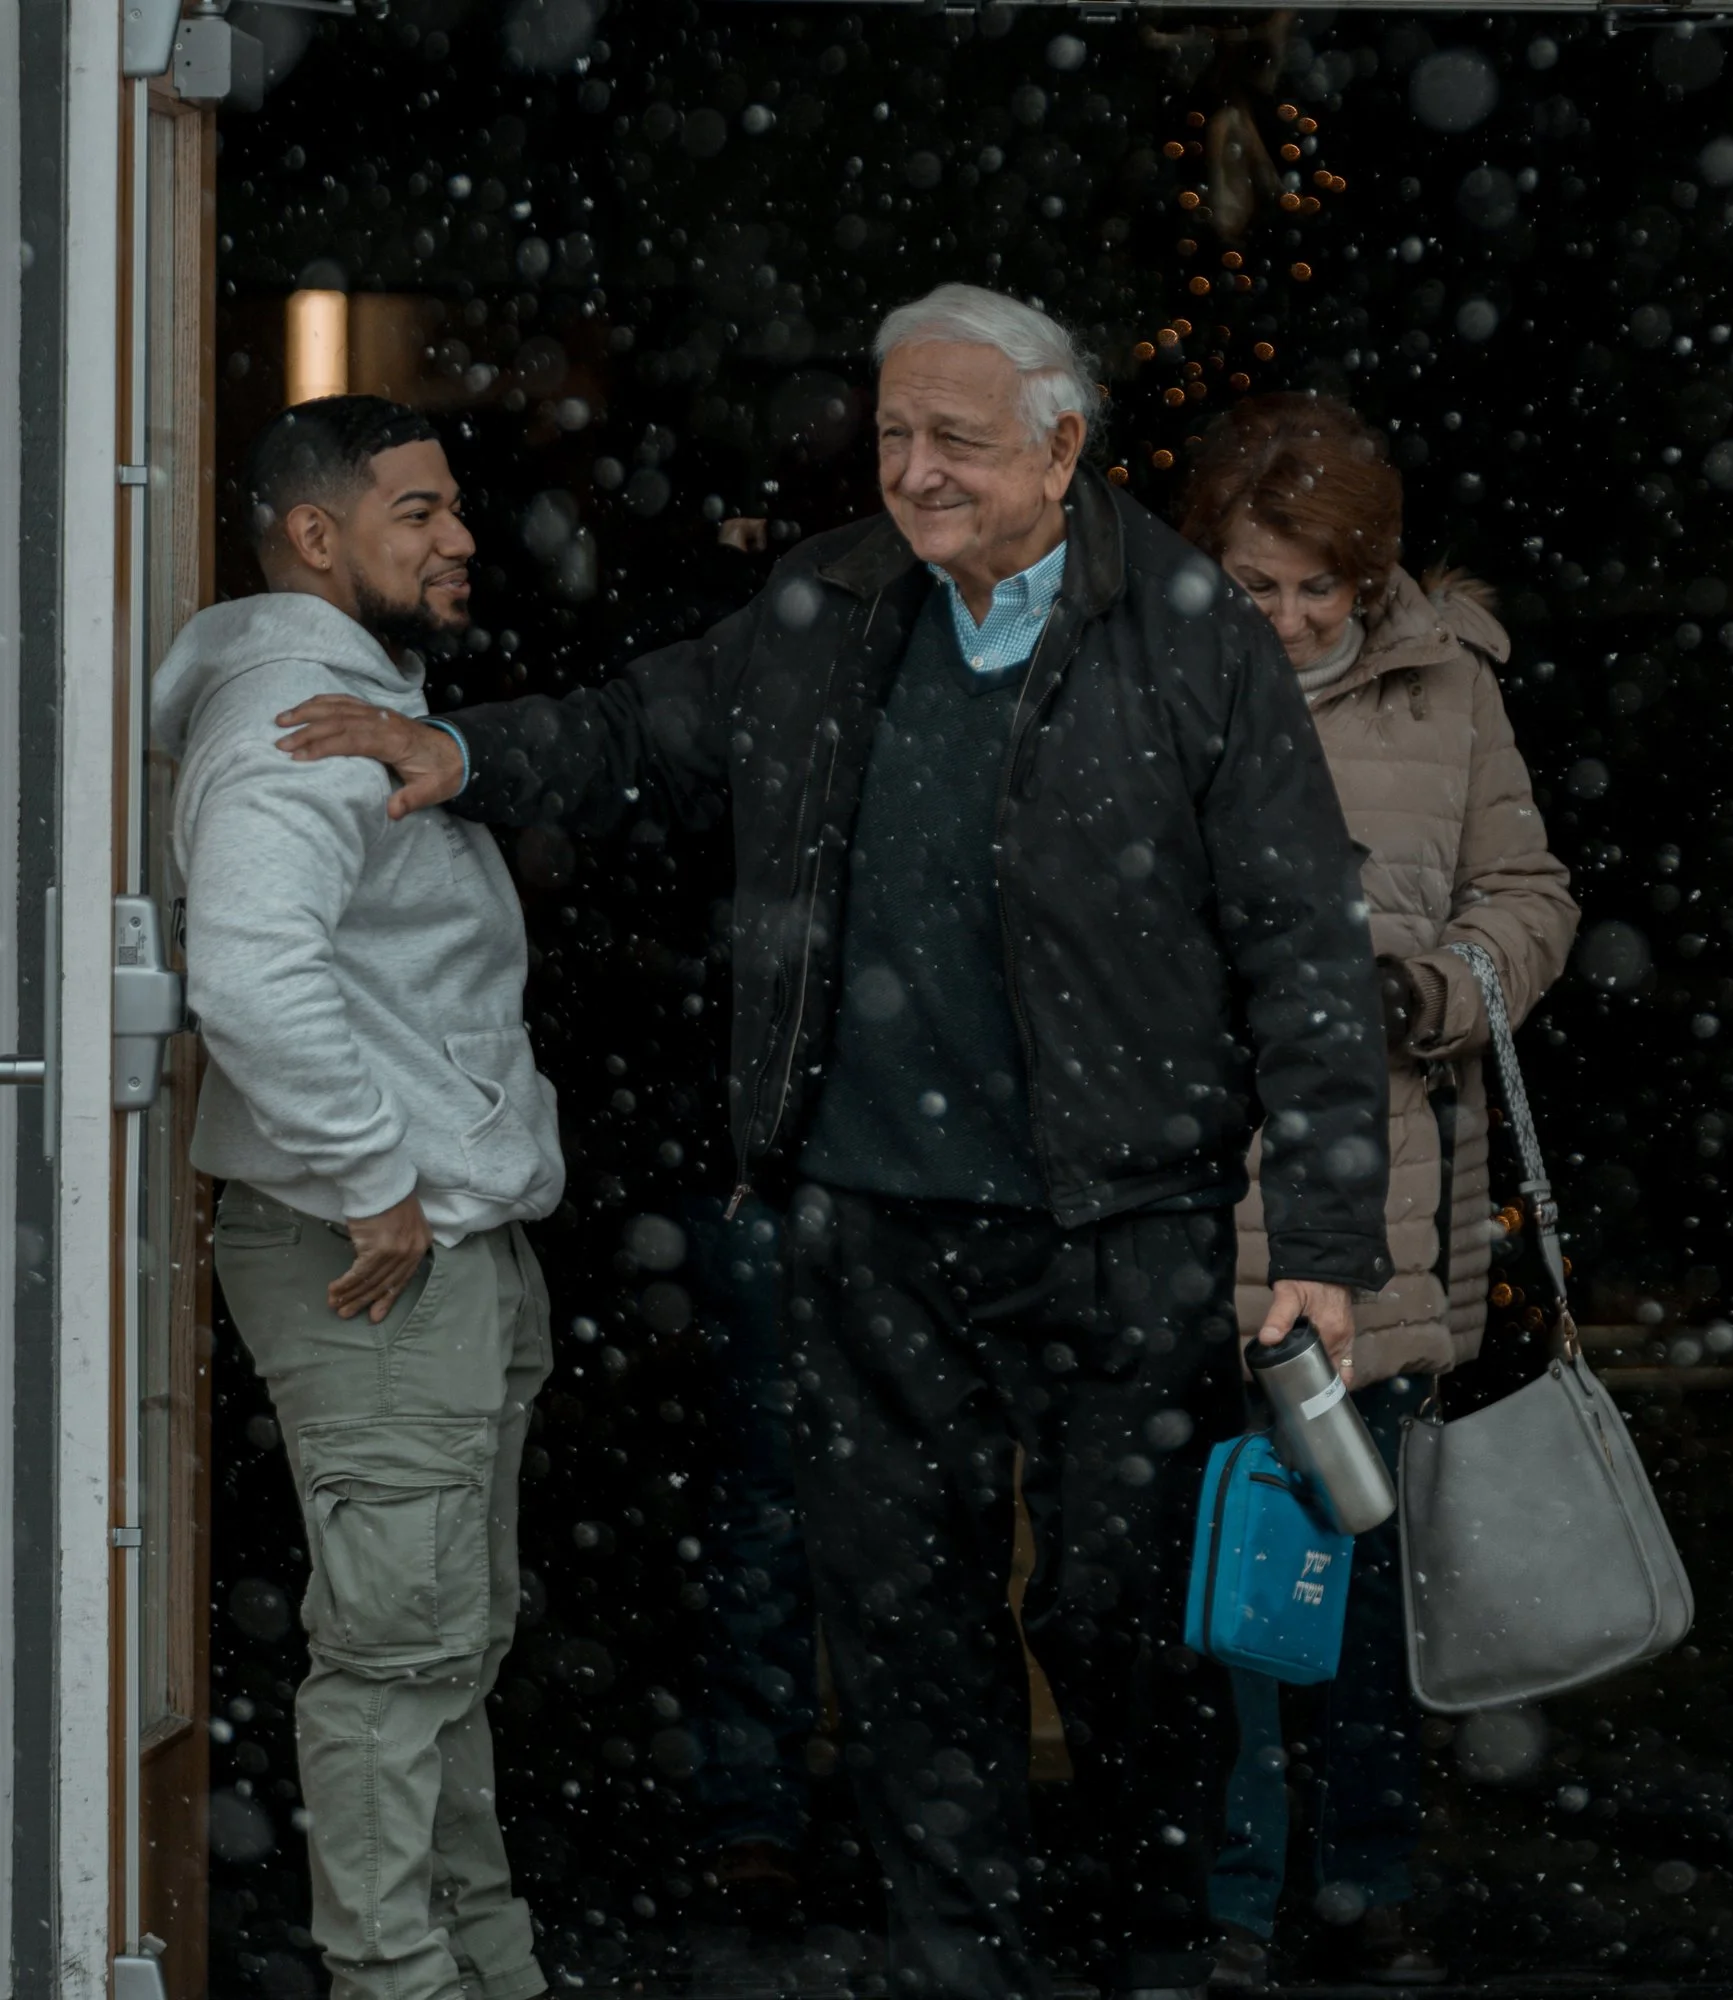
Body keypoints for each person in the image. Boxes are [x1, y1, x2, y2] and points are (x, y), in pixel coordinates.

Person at [270, 283, 1394, 2000]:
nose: (917, 471)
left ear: (1062, 444)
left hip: (1123, 1219)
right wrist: (455, 750)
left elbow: (1305, 946)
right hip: (871, 1217)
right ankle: (965, 1963)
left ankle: (1152, 1944)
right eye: (894, 436)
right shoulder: (829, 607)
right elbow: (643, 728)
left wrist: (1318, 1236)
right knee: (905, 1628)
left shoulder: (1185, 625)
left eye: (956, 438)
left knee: (1121, 1618)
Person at [156, 396, 565, 2000]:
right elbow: (248, 973)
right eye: (418, 511)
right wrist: (373, 1177)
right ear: (315, 535)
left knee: (447, 1639)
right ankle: (397, 1982)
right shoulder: (296, 718)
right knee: (401, 1653)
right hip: (380, 1248)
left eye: (454, 506)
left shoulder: (347, 698)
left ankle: (478, 1964)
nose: (459, 537)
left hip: (444, 1240)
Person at [1177, 394, 1578, 1989]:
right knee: (1222, 1583)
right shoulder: (1152, 689)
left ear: (1373, 577)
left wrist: (1433, 992)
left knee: (1357, 1577)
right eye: (1253, 585)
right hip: (1196, 1194)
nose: (1285, 619)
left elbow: (1529, 896)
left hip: (1384, 1195)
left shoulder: (1449, 692)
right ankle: (1227, 1899)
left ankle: (1368, 1881)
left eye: (1315, 589)